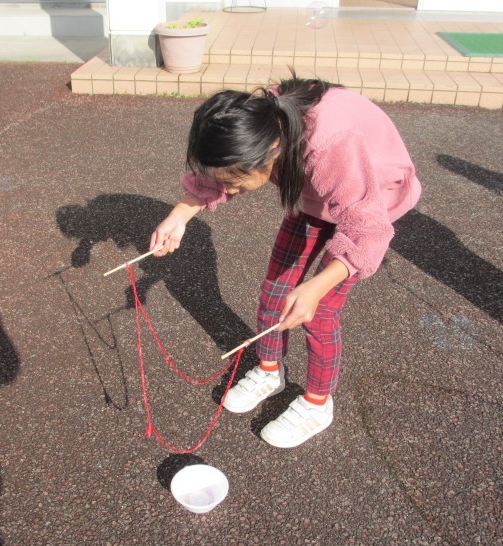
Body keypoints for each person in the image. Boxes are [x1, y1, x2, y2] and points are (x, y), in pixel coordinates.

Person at [150, 72, 421, 448]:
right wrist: (180, 214)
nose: (228, 190)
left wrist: (316, 286)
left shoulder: (330, 145)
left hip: (368, 201)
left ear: (269, 149)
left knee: (319, 310)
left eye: (234, 181)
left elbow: (367, 230)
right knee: (276, 291)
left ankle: (317, 404)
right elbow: (218, 174)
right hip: (314, 195)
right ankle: (269, 370)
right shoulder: (262, 120)